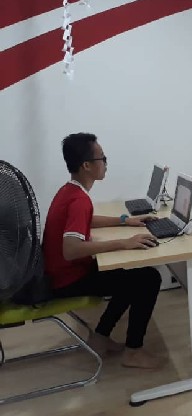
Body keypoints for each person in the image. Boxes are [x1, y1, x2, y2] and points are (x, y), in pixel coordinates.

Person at [42, 133, 163, 369]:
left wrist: (124, 221)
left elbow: (86, 220)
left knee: (132, 276)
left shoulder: (69, 191)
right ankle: (133, 352)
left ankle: (100, 338)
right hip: (67, 280)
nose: (106, 164)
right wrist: (124, 243)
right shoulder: (79, 200)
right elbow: (71, 249)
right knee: (148, 278)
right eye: (102, 158)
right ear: (87, 165)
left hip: (60, 273)